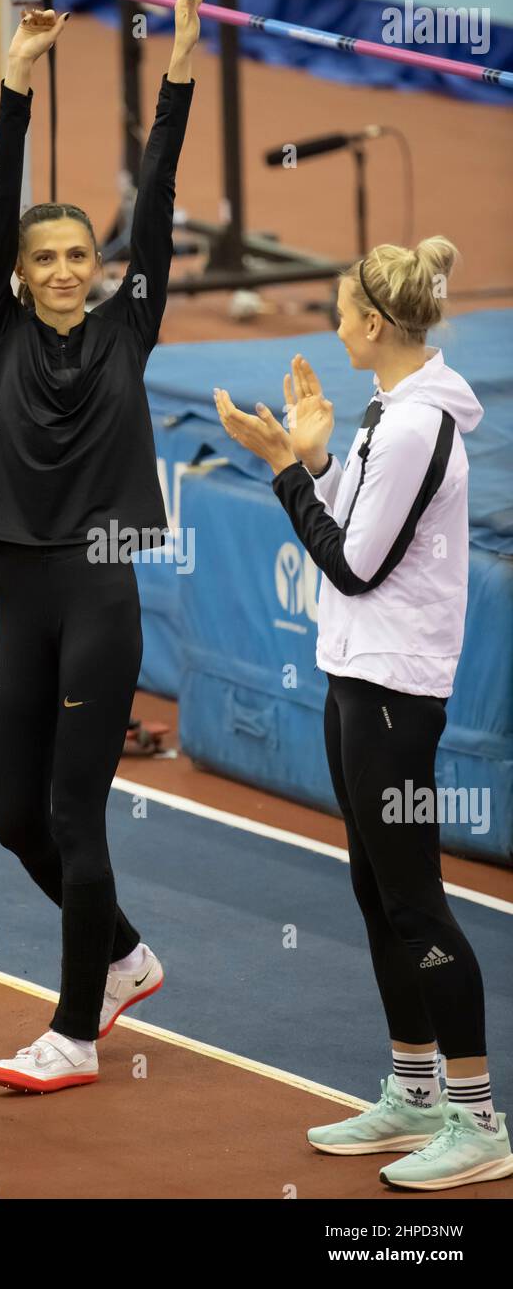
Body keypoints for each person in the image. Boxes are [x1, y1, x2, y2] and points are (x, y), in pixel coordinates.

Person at [214, 239, 513, 1191]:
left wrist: (283, 474)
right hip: (357, 673)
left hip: (395, 692)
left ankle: (478, 1121)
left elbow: (351, 564)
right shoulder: (394, 414)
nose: (332, 324)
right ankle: (417, 1092)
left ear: (375, 324)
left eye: (340, 310)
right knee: (377, 897)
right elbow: (359, 524)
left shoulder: (422, 424)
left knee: (417, 901)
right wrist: (315, 456)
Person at [0, 0, 205, 1093]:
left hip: (101, 588)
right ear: (18, 275)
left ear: (100, 271)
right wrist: (15, 83)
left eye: (78, 256)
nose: (64, 269)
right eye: (44, 257)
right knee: (17, 821)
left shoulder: (127, 331)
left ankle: (72, 1031)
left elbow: (153, 206)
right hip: (21, 597)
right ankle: (121, 955)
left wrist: (180, 73)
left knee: (75, 807)